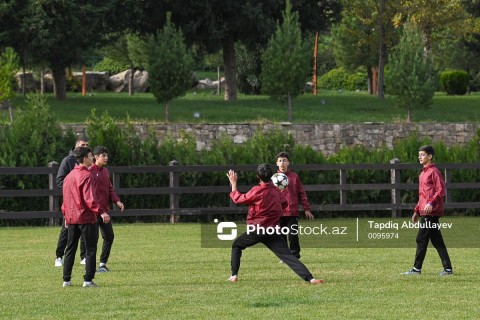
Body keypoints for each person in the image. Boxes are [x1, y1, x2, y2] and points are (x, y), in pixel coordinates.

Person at [226, 164, 325, 284]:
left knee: (236, 246)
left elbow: (238, 199)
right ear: (271, 176)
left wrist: (233, 183)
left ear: (258, 176)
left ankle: (234, 275)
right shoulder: (276, 191)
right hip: (272, 231)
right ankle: (311, 279)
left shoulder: (256, 190)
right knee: (288, 256)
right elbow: (284, 203)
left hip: (257, 230)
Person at [61, 146, 110, 287]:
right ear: (84, 159)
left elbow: (65, 200)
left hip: (71, 218)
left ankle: (66, 280)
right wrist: (102, 212)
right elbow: (90, 199)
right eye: (90, 156)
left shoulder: (69, 176)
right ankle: (88, 280)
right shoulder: (87, 175)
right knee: (91, 249)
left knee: (70, 248)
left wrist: (65, 215)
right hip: (86, 218)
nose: (92, 158)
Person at [402, 145, 453, 276]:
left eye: (423, 154)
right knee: (436, 240)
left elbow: (441, 190)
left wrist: (431, 203)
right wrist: (416, 211)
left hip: (431, 212)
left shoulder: (434, 171)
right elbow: (422, 195)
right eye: (419, 155)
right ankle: (448, 269)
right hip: (424, 211)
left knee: (421, 238)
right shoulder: (423, 173)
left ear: (430, 156)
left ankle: (416, 269)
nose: (420, 157)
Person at [54, 137, 89, 267]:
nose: (85, 147)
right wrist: (72, 192)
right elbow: (60, 181)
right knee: (67, 228)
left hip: (85, 202)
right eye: (82, 145)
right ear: (75, 147)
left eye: (86, 145)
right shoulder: (67, 161)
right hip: (71, 203)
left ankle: (84, 256)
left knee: (86, 228)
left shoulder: (88, 162)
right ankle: (59, 256)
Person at [89, 146, 124, 272]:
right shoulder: (90, 172)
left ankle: (102, 264)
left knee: (109, 236)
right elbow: (90, 195)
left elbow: (110, 189)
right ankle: (88, 266)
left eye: (107, 155)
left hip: (105, 212)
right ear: (96, 157)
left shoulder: (105, 172)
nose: (106, 158)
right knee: (91, 240)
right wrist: (100, 211)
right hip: (93, 212)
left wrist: (117, 201)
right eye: (103, 155)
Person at [276, 151, 314, 259]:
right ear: (276, 163)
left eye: (284, 160)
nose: (282, 163)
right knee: (280, 235)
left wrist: (306, 209)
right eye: (280, 161)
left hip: (292, 211)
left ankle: (295, 255)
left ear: (288, 163)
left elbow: (301, 193)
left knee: (293, 235)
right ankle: (284, 257)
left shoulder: (294, 177)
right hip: (278, 212)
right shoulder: (274, 179)